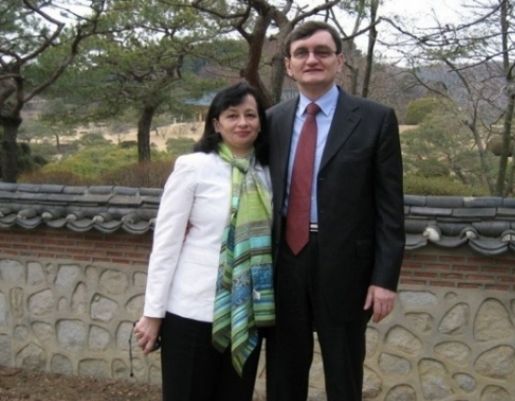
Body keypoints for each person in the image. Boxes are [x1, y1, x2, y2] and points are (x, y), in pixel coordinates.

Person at [266, 21, 405, 401]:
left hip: (347, 267)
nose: (312, 59)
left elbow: (390, 209)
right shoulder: (272, 120)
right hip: (284, 263)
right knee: (283, 373)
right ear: (289, 65)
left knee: (344, 375)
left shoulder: (375, 119)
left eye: (322, 52)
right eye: (301, 53)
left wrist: (384, 279)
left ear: (339, 61)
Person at [133, 82, 275, 401]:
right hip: (191, 310)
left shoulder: (269, 173)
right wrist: (153, 313)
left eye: (250, 115)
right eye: (232, 115)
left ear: (260, 122)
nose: (242, 123)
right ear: (216, 124)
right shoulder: (194, 167)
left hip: (245, 313)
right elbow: (166, 245)